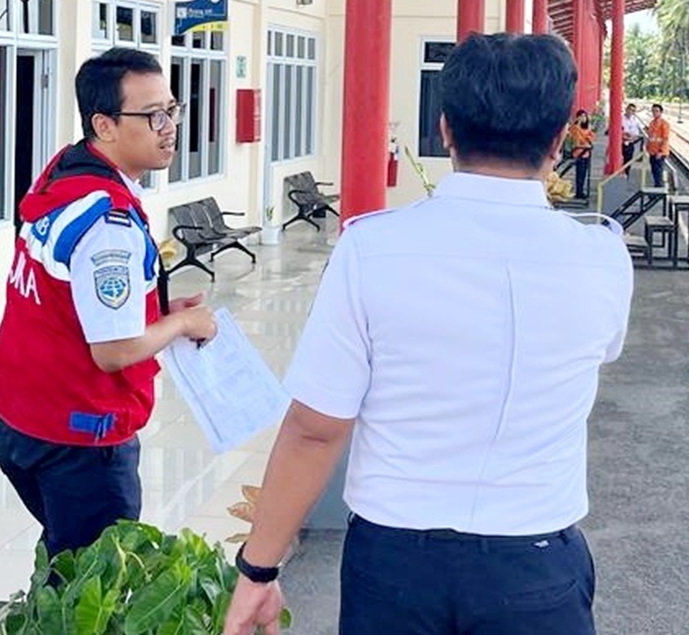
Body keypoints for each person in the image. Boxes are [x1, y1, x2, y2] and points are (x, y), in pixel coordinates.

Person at [223, 33, 634, 635]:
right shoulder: (602, 256)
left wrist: (257, 569)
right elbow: (602, 349)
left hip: (395, 565)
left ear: (444, 129)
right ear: (556, 140)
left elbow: (315, 428)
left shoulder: (371, 247)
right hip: (536, 563)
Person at [0, 48, 218, 558]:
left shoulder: (63, 177)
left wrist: (156, 312)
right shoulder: (107, 223)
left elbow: (71, 299)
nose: (169, 126)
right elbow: (113, 351)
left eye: (172, 110)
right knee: (96, 586)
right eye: (153, 115)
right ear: (105, 125)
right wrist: (182, 326)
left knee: (63, 560)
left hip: (19, 420)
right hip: (78, 438)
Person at [569, 109, 595, 199]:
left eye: (584, 116)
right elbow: (577, 138)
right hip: (579, 152)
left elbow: (591, 137)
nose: (583, 118)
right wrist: (578, 123)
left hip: (586, 152)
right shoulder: (575, 127)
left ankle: (581, 190)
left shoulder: (587, 127)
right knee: (579, 173)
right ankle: (578, 191)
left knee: (584, 173)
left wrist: (587, 136)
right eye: (581, 116)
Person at [645, 103, 670, 189]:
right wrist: (647, 147)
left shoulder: (664, 124)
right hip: (652, 151)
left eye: (656, 111)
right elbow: (650, 137)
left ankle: (659, 189)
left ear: (661, 112)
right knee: (654, 171)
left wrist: (661, 151)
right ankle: (657, 187)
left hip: (659, 153)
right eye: (653, 111)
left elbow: (665, 138)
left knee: (658, 171)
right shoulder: (652, 123)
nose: (654, 113)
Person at [620, 103, 646, 179]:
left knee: (628, 162)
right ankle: (620, 176)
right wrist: (624, 135)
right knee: (620, 161)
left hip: (630, 143)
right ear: (626, 109)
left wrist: (632, 137)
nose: (630, 112)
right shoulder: (621, 119)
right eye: (630, 109)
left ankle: (626, 176)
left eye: (633, 111)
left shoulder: (635, 120)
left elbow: (637, 133)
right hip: (621, 143)